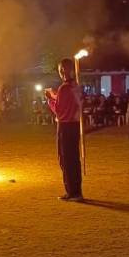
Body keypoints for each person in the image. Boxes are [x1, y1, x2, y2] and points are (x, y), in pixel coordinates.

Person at [45, 58, 83, 202]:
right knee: (74, 159)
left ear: (63, 71)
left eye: (61, 69)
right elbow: (69, 102)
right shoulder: (75, 86)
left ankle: (72, 192)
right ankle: (76, 191)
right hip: (74, 125)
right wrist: (55, 96)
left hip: (65, 126)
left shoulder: (64, 88)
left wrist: (50, 99)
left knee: (66, 160)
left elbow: (59, 110)